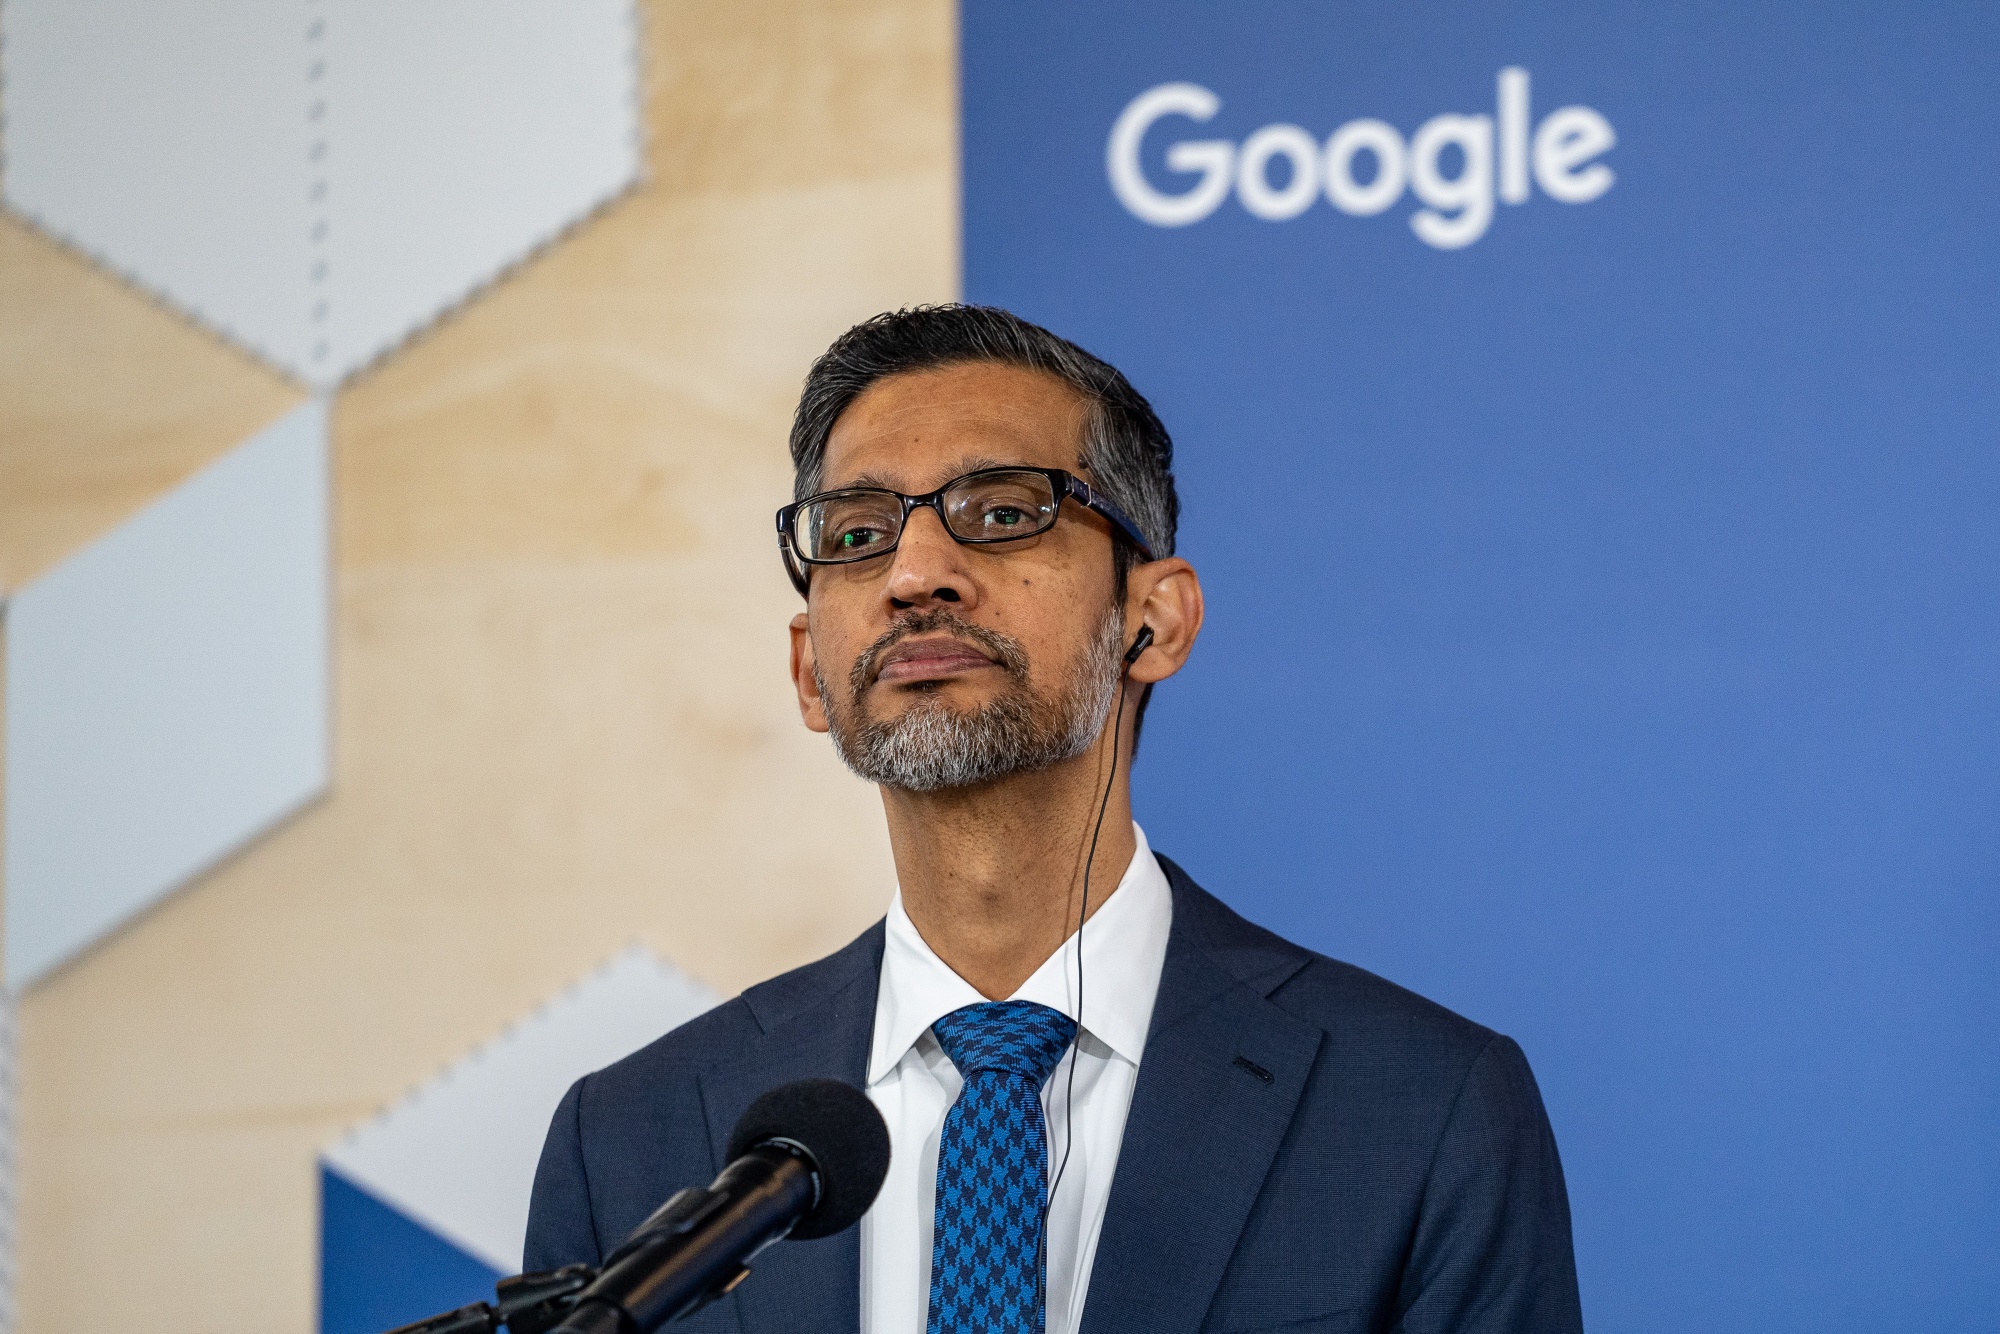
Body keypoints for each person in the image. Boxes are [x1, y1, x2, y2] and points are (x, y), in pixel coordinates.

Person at [525, 305, 1584, 1334]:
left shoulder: (1420, 1108)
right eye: (855, 532)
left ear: (1153, 621)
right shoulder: (629, 1135)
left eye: (999, 512)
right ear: (809, 670)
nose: (912, 573)